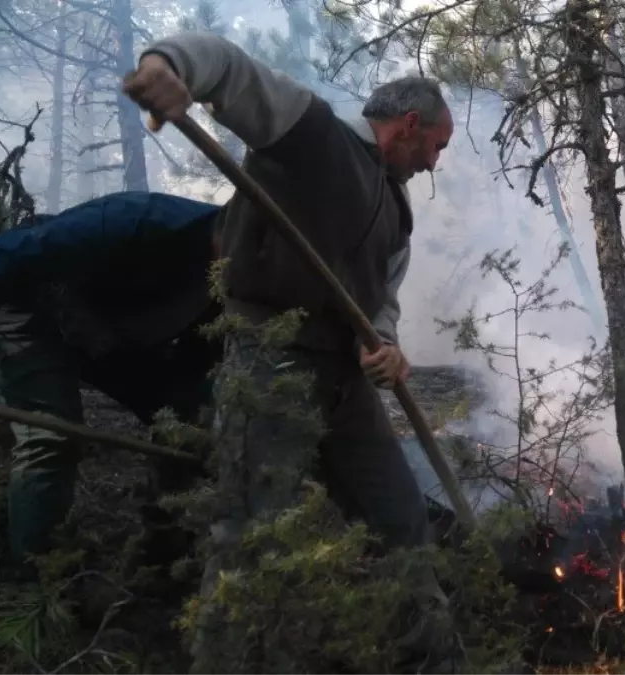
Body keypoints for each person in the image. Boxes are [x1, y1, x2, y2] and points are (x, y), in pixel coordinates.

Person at [122, 31, 457, 673]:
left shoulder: (398, 214)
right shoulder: (314, 137)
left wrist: (385, 347)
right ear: (409, 125)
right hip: (270, 359)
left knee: (401, 517)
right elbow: (229, 68)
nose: (434, 164)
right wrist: (168, 66)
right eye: (437, 147)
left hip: (345, 383)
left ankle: (429, 657)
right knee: (251, 537)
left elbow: (382, 300)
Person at [0, 191, 223, 578]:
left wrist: (193, 431)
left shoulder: (245, 289)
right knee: (51, 437)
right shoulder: (139, 220)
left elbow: (189, 374)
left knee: (188, 424)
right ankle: (33, 582)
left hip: (108, 338)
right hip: (31, 309)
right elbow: (8, 254)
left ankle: (160, 556)